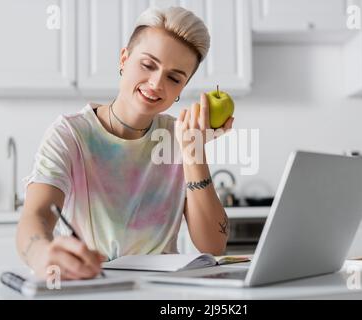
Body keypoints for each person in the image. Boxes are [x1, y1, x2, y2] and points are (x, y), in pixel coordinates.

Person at [16, 6, 234, 280]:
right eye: (148, 65)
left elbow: (213, 245)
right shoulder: (70, 134)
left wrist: (194, 154)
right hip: (93, 284)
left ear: (182, 87)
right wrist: (41, 254)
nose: (156, 83)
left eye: (174, 78)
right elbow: (36, 214)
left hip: (165, 289)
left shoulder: (178, 135)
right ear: (124, 59)